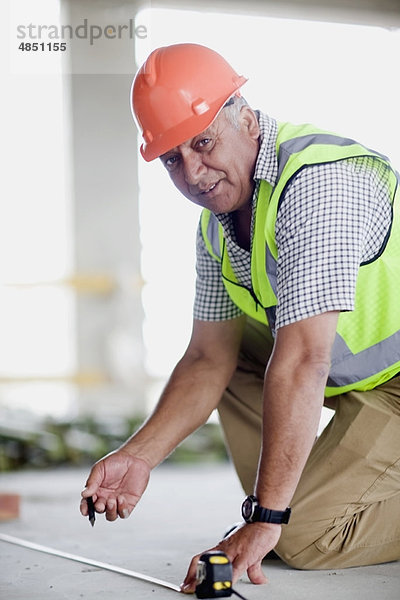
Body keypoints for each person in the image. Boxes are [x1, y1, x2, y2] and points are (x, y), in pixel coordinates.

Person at [80, 43, 400, 589]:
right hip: (355, 379)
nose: (193, 173)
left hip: (391, 382)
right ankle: (287, 498)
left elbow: (303, 359)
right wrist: (139, 455)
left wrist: (268, 519)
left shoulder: (321, 184)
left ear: (247, 120)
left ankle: (283, 512)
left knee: (302, 535)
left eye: (203, 143)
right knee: (235, 353)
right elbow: (208, 359)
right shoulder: (218, 224)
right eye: (171, 159)